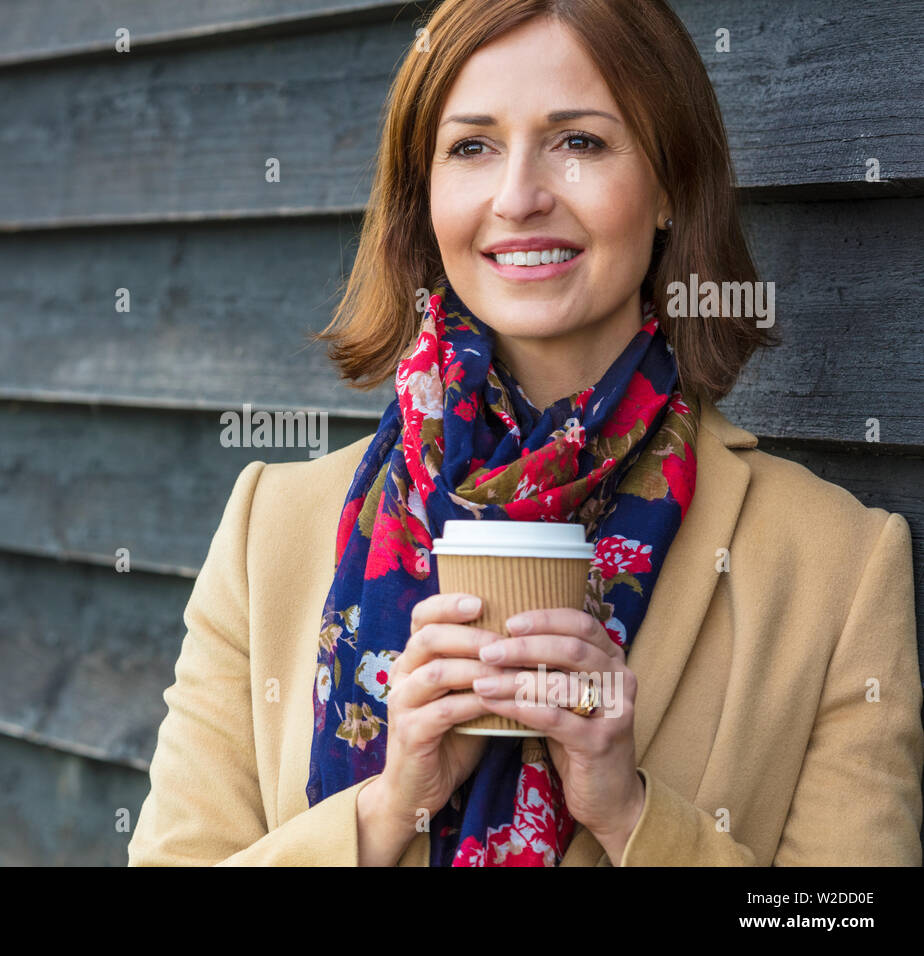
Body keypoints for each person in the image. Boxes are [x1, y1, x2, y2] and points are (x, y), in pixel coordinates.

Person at [126, 0, 924, 866]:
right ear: (422, 195)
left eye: (578, 141)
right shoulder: (268, 529)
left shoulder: (839, 563)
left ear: (668, 187)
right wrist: (390, 810)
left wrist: (633, 817)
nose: (519, 197)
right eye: (472, 147)